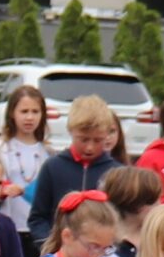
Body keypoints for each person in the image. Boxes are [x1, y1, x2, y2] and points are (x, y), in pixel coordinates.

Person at [25, 97, 126, 248]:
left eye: (98, 140)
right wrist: (50, 247)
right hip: (59, 255)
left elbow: (123, 219)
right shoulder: (53, 167)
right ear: (71, 132)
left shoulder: (117, 173)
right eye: (83, 140)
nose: (90, 147)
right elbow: (38, 218)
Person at [0, 84, 49, 235]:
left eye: (35, 112)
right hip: (7, 226)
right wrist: (2, 191)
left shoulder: (47, 152)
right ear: (12, 113)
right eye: (24, 111)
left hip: (37, 229)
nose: (29, 117)